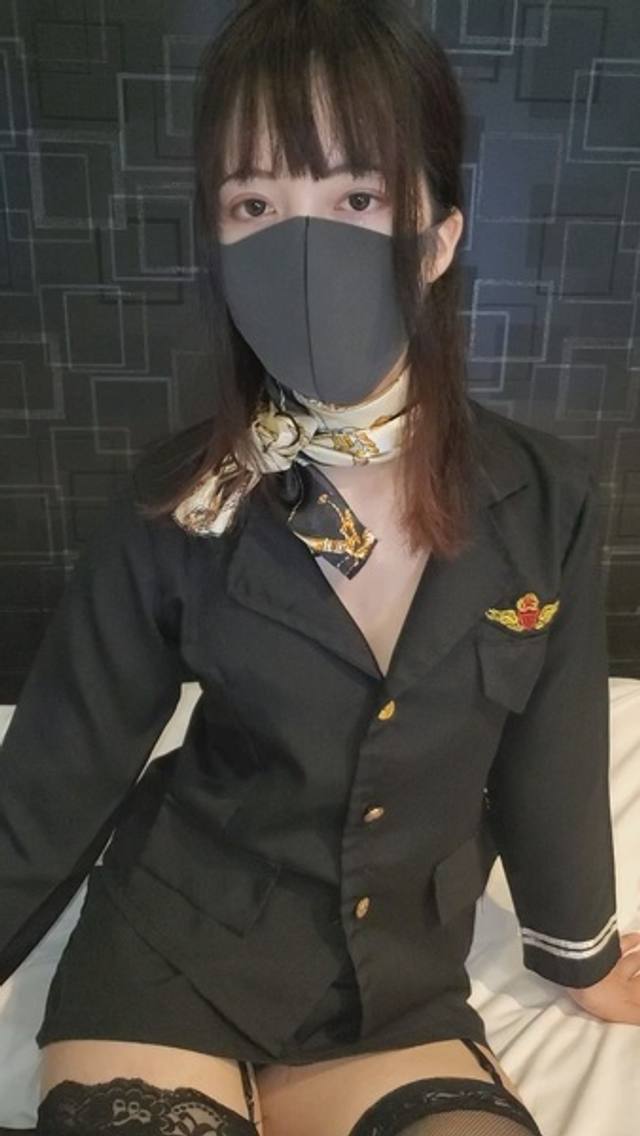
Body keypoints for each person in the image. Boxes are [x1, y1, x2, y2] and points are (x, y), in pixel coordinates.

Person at [1, 2, 637, 1134]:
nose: (303, 251)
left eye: (355, 199)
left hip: (394, 983)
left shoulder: (546, 500)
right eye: (255, 206)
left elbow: (554, 757)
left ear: (436, 236)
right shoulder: (178, 499)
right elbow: (63, 765)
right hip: (171, 943)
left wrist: (577, 953)